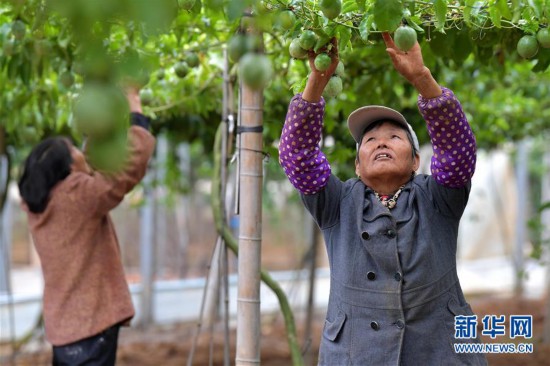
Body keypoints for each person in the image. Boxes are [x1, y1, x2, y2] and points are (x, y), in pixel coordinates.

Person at [279, 34, 487, 365]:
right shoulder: (336, 204)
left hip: (440, 353)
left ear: (416, 161)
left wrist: (422, 77)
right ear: (358, 166)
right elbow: (298, 155)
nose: (381, 142)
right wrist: (317, 81)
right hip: (357, 354)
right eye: (370, 139)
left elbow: (456, 150)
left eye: (394, 137)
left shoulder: (438, 198)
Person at [18, 85, 156, 366]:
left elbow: (89, 168)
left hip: (63, 329)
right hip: (91, 324)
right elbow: (128, 166)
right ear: (69, 170)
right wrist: (133, 102)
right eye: (75, 150)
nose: (81, 151)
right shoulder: (77, 196)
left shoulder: (41, 203)